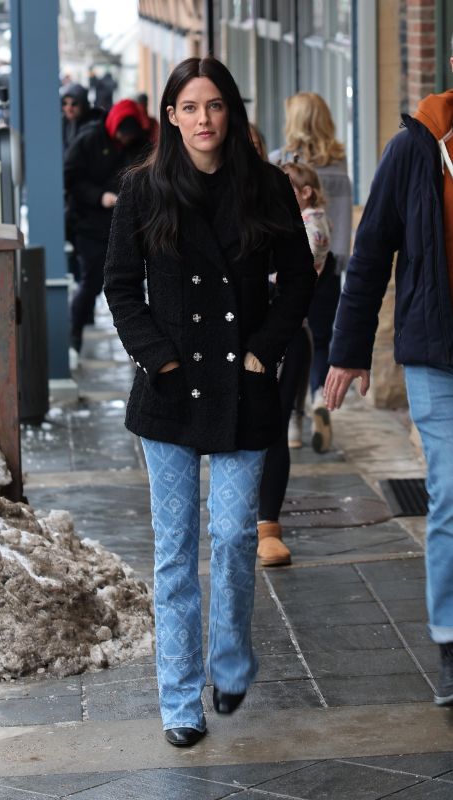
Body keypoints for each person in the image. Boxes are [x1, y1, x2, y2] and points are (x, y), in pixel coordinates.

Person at [104, 56, 316, 746]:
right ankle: (179, 703)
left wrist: (261, 351)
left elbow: (296, 283)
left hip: (242, 390)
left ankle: (228, 664)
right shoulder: (143, 189)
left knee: (230, 537)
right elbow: (119, 285)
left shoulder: (265, 187)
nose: (203, 119)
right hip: (168, 395)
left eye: (214, 106)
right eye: (189, 107)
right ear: (170, 116)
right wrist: (157, 356)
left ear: (232, 113)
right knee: (173, 554)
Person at [324, 50, 453, 706]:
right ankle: (450, 640)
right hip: (439, 355)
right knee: (452, 493)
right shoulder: (415, 147)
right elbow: (371, 250)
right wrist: (347, 350)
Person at [270, 92, 352, 452]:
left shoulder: (279, 162)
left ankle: (293, 424)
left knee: (290, 342)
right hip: (327, 262)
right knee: (320, 338)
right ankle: (320, 397)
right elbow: (345, 219)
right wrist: (340, 261)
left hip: (288, 268)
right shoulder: (338, 164)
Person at [258, 160, 330, 567]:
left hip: (285, 334)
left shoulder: (303, 222)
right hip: (238, 337)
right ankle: (248, 519)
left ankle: (267, 525)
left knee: (273, 428)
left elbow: (301, 272)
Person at [64, 98, 149, 354]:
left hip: (130, 225)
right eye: (122, 134)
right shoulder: (90, 139)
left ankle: (143, 343)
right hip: (91, 224)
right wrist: (100, 197)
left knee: (135, 283)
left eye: (129, 135)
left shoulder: (139, 144)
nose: (124, 140)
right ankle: (73, 336)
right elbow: (70, 177)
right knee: (92, 281)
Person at [60, 82, 103, 153]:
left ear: (83, 105)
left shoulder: (94, 125)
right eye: (65, 103)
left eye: (74, 104)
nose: (68, 108)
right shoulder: (63, 123)